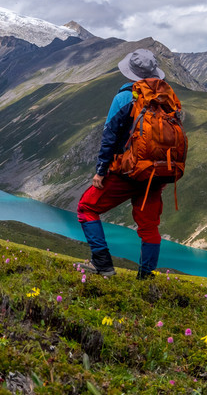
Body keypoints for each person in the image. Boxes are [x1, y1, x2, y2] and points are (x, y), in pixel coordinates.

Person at [78, 48, 170, 279]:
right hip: (155, 173)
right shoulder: (167, 98)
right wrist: (162, 172)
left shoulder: (124, 97)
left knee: (87, 208)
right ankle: (146, 277)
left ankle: (103, 265)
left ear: (131, 73)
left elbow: (109, 136)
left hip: (127, 171)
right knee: (149, 226)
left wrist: (100, 171)